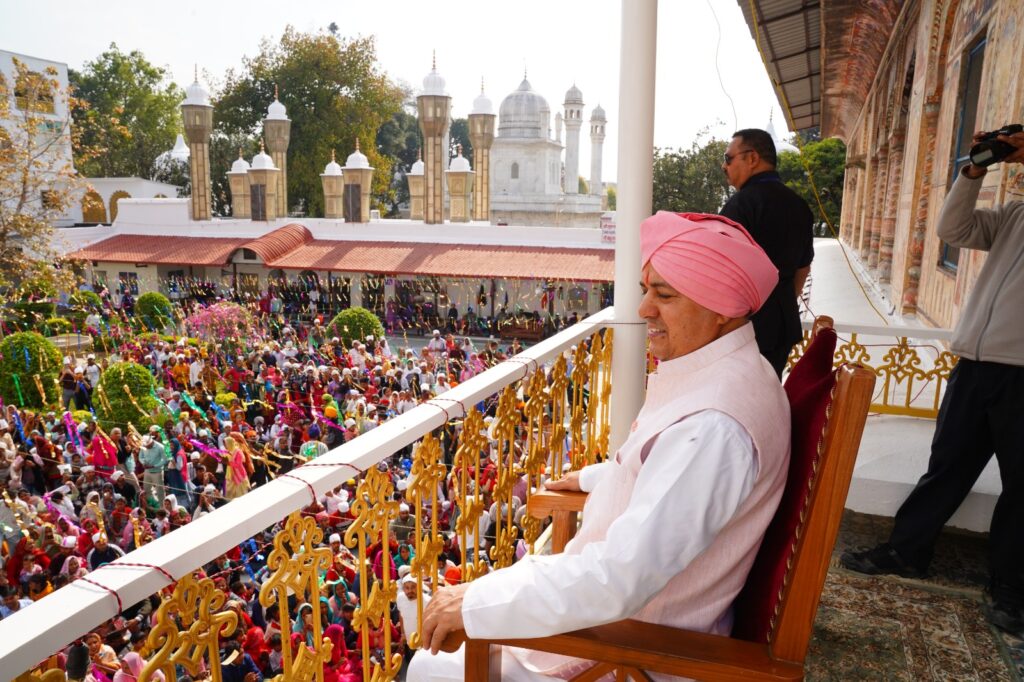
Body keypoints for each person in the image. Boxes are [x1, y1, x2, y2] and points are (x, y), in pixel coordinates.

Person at [409, 211, 789, 681]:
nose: (644, 309)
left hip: (636, 654)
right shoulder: (733, 375)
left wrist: (477, 601)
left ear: (724, 307)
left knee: (431, 665)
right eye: (646, 289)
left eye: (665, 295)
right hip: (640, 623)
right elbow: (677, 480)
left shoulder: (714, 426)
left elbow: (618, 578)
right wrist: (597, 476)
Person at [841, 130, 1024, 637]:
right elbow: (953, 228)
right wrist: (974, 170)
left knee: (1022, 487)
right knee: (946, 466)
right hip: (974, 364)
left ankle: (1011, 589)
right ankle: (907, 550)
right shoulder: (1013, 216)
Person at [720, 128, 814, 377]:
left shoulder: (741, 205)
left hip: (743, 328)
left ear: (752, 158)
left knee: (738, 402)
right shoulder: (800, 205)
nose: (724, 166)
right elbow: (803, 267)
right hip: (781, 323)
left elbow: (721, 269)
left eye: (729, 158)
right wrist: (779, 299)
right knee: (766, 395)